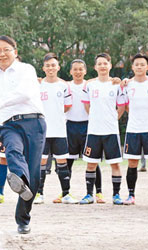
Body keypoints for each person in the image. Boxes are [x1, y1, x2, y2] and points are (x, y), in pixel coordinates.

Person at [0, 35, 46, 234]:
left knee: (34, 173)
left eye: (6, 49)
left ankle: (23, 220)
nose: (2, 54)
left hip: (34, 121)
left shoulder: (26, 69)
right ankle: (19, 177)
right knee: (12, 151)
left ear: (15, 52)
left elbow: (25, 93)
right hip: (9, 125)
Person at [81, 53, 126, 205]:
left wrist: (112, 119)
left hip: (111, 131)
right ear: (95, 67)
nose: (102, 66)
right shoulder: (90, 85)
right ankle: (89, 194)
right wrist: (96, 118)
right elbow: (87, 106)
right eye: (99, 63)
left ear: (110, 65)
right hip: (94, 131)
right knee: (91, 164)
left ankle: (116, 195)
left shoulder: (116, 85)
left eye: (105, 63)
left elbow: (121, 107)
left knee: (115, 164)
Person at [33, 53, 77, 205]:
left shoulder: (64, 86)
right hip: (42, 130)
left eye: (53, 65)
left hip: (59, 130)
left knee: (62, 161)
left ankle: (66, 194)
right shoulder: (38, 85)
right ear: (43, 68)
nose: (50, 68)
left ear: (58, 67)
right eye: (48, 65)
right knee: (41, 162)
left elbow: (67, 106)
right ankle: (39, 194)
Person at [122, 53, 148, 205]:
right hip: (133, 130)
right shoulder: (127, 85)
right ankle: (131, 195)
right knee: (132, 163)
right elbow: (125, 106)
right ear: (132, 67)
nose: (139, 67)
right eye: (136, 64)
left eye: (142, 64)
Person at [66, 59, 105, 204]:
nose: (77, 72)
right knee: (67, 161)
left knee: (93, 161)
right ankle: (65, 192)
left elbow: (105, 79)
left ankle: (99, 192)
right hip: (70, 126)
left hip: (88, 126)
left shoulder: (90, 85)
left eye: (80, 69)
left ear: (85, 71)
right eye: (75, 69)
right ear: (70, 71)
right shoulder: (66, 86)